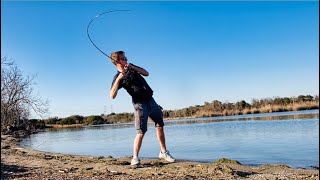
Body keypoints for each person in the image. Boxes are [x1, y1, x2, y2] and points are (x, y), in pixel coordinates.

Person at [109, 51, 175, 166]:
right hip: (139, 104)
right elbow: (112, 95)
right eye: (123, 58)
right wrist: (119, 78)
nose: (126, 59)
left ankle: (163, 152)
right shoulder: (117, 77)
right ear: (116, 62)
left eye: (125, 57)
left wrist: (133, 67)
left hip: (151, 100)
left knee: (160, 124)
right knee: (141, 131)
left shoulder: (132, 68)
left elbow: (146, 73)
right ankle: (135, 157)